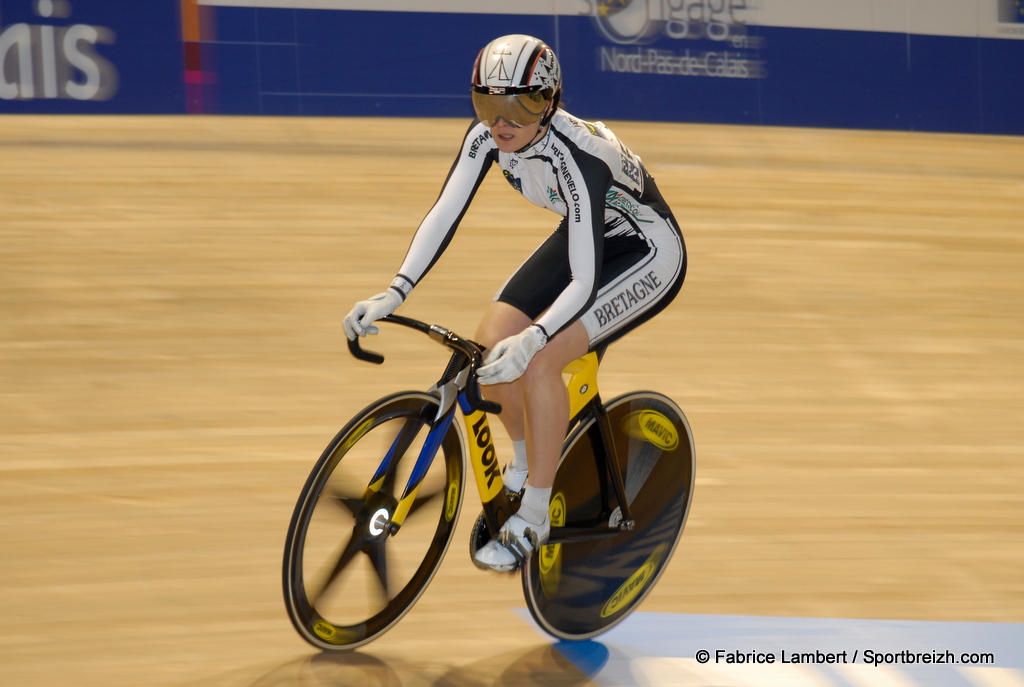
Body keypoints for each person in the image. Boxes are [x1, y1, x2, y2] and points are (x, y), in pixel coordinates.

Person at [343, 34, 686, 572]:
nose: (501, 123)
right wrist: (395, 290)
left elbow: (584, 279)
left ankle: (534, 516)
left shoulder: (578, 157)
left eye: (519, 106)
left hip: (645, 249)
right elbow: (443, 215)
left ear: (549, 102)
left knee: (540, 360)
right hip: (587, 233)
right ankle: (528, 462)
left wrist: (538, 337)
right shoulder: (486, 139)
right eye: (487, 104)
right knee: (488, 349)